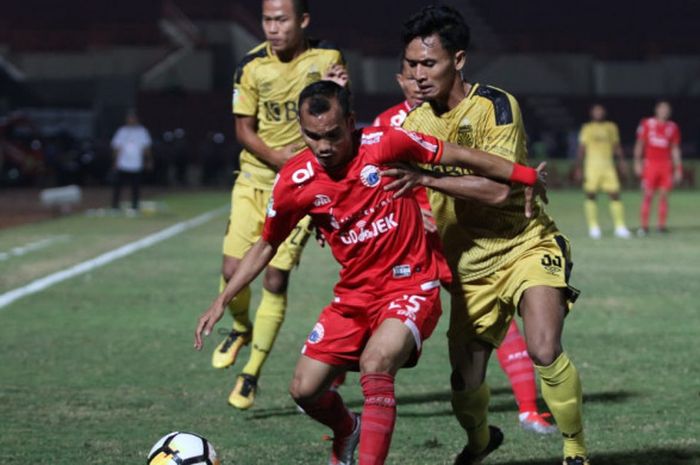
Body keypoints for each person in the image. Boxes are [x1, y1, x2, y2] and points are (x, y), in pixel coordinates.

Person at [194, 81, 547, 465]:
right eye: (313, 136)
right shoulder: (295, 182)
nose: (324, 146)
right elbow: (265, 245)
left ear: (349, 121)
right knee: (304, 390)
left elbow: (462, 153)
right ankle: (348, 429)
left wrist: (525, 176)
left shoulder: (386, 143)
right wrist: (221, 300)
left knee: (376, 364)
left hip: (410, 284)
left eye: (333, 135)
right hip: (354, 296)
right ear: (302, 128)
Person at [386, 6, 588, 465]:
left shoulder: (495, 105)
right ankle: (480, 444)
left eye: (429, 64)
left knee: (543, 346)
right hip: (470, 267)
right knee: (465, 382)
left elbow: (499, 192)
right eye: (411, 65)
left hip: (525, 244)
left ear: (458, 60)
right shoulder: (413, 127)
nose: (418, 75)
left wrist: (428, 179)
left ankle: (575, 450)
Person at [374, 60, 556, 435]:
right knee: (375, 317)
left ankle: (527, 410)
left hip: (458, 237)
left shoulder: (464, 113)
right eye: (410, 74)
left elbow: (486, 167)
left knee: (494, 324)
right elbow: (374, 183)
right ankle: (339, 403)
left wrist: (523, 176)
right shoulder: (390, 125)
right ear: (399, 80)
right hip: (416, 245)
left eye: (425, 70)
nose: (418, 80)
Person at [215, 0, 349, 410]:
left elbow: (338, 115)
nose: (272, 28)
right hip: (255, 179)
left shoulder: (327, 58)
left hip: (300, 187)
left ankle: (251, 372)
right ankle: (240, 327)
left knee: (274, 279)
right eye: (267, 20)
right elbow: (243, 128)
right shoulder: (251, 65)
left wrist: (338, 90)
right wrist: (279, 161)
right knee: (231, 270)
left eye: (281, 19)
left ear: (302, 20)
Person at [575, 104, 631, 239]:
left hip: (608, 166)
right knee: (590, 195)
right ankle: (593, 227)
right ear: (591, 113)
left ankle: (620, 226)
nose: (598, 113)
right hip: (591, 166)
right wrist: (578, 167)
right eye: (596, 111)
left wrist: (622, 162)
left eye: (600, 110)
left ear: (604, 112)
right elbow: (581, 148)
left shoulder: (611, 127)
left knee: (615, 194)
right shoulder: (587, 128)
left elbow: (617, 146)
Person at [634, 100, 682, 235]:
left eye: (666, 109)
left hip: (666, 165)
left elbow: (675, 148)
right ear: (656, 110)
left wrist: (678, 168)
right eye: (662, 109)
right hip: (650, 164)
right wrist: (637, 162)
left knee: (664, 196)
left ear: (669, 112)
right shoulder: (647, 123)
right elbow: (640, 144)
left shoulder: (673, 127)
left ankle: (661, 226)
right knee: (648, 195)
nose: (664, 111)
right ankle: (643, 227)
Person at [110, 110, 152, 212]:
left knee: (135, 187)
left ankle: (135, 206)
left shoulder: (142, 131)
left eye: (133, 118)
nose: (131, 120)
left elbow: (146, 148)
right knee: (118, 186)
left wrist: (149, 160)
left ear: (136, 119)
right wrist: (115, 161)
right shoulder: (121, 131)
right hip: (122, 164)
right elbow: (116, 147)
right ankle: (115, 206)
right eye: (129, 118)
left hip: (136, 164)